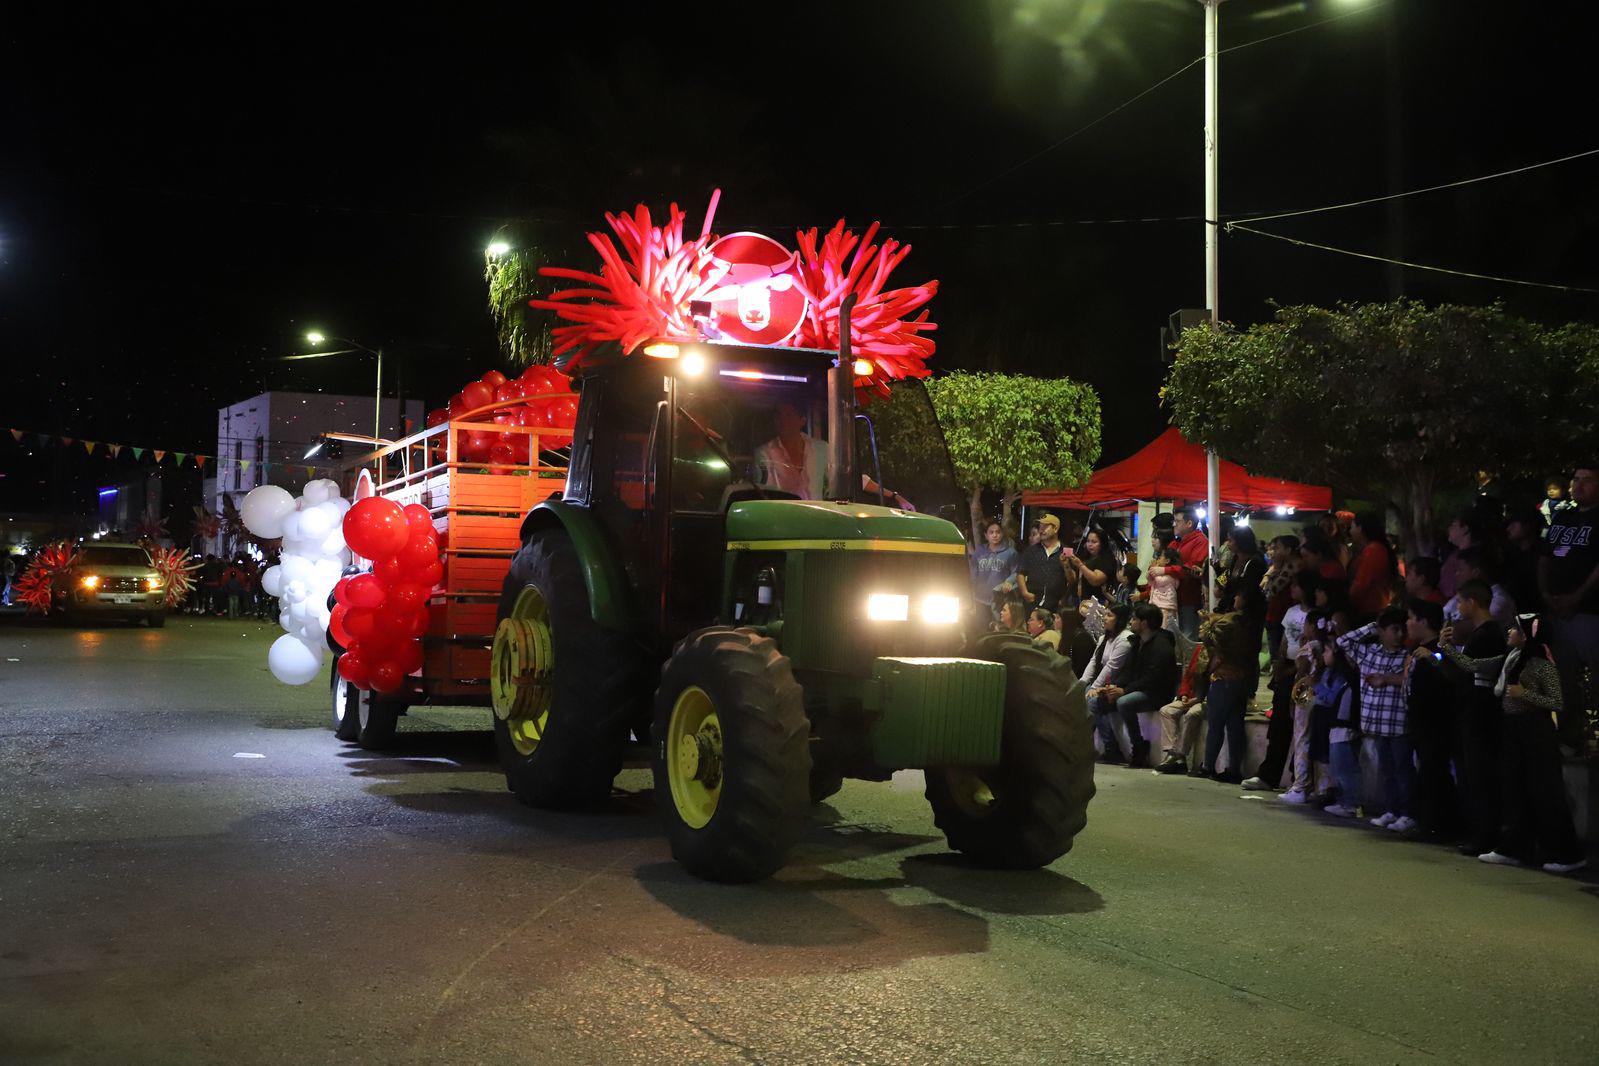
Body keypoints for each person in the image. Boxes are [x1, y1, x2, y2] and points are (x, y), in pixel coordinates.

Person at [1467, 615, 1587, 874]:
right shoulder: (1511, 660)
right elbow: (1471, 664)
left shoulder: (1542, 664)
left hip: (1536, 731)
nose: (1510, 631)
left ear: (1528, 635)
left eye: (1516, 629)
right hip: (1513, 728)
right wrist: (1446, 649)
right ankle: (1514, 847)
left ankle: (1567, 853)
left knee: (1545, 791)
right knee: (1514, 787)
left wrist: (1525, 694)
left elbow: (1556, 702)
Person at [1440, 580, 1508, 857]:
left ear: (1472, 602)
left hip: (1479, 713)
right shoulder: (1484, 634)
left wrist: (1446, 649)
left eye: (1460, 601)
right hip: (1476, 710)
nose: (1457, 607)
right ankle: (1479, 832)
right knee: (1473, 773)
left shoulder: (1487, 635)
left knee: (1479, 774)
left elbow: (1464, 673)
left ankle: (1484, 834)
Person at [1336, 606, 1416, 832]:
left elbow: (1411, 681)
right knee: (1387, 770)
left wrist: (1388, 679)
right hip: (1377, 722)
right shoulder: (1369, 652)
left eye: (1402, 630)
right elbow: (1343, 641)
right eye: (1394, 629)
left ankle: (1407, 813)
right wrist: (1373, 627)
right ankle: (1392, 810)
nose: (1400, 635)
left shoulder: (1407, 656)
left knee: (1403, 770)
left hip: (1399, 722)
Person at [1538, 463, 1599, 755]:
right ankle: (1570, 735)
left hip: (1589, 610)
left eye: (1587, 481)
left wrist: (1577, 596)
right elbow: (1546, 556)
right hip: (1557, 607)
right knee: (1564, 677)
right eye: (1576, 479)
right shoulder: (1563, 516)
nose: (1578, 485)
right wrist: (1547, 593)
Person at [755, 402, 910, 507]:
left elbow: (850, 478)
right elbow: (761, 496)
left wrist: (895, 496)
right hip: (780, 523)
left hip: (819, 522)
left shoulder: (821, 448)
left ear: (801, 420)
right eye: (779, 416)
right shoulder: (764, 453)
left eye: (788, 416)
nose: (782, 421)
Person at [1401, 598, 1457, 840]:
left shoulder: (1437, 651)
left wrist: (1433, 657)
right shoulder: (1418, 651)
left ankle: (1438, 824)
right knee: (1427, 770)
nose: (1407, 623)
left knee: (1435, 772)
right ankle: (1428, 820)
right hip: (1421, 722)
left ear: (1424, 622)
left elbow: (1447, 670)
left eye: (1411, 618)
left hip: (1434, 723)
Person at [1096, 604, 1178, 767]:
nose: (1131, 622)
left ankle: (1139, 746)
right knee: (1099, 700)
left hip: (1157, 693)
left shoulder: (1162, 646)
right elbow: (1128, 671)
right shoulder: (1137, 642)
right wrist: (1112, 687)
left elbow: (1152, 679)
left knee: (1124, 702)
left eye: (1134, 619)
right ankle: (1112, 748)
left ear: (1144, 623)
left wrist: (1124, 691)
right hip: (1138, 688)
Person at [1200, 609, 1256, 783]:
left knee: (1215, 726)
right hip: (1240, 682)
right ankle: (1233, 769)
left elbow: (1206, 664)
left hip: (1222, 682)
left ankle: (1208, 766)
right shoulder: (1245, 643)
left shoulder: (1222, 646)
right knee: (1235, 727)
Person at [1315, 640, 1363, 817]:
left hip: (1344, 727)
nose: (1323, 655)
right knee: (1338, 767)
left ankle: (1350, 804)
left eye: (1327, 651)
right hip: (1336, 726)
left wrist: (1316, 686)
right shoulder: (1334, 674)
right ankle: (1344, 801)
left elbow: (1333, 699)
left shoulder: (1345, 678)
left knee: (1345, 768)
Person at [1084, 603, 1135, 763]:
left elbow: (1112, 667)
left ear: (1120, 619)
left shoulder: (1125, 638)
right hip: (1103, 684)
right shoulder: (1104, 638)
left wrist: (1093, 688)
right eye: (1105, 614)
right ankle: (1083, 746)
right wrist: (1082, 684)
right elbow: (1094, 662)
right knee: (1079, 696)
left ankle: (1111, 749)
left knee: (1092, 702)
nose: (1105, 618)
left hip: (1118, 685)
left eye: (1109, 615)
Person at [1156, 639, 1210, 775]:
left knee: (1192, 714)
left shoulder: (1219, 652)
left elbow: (1207, 686)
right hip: (1192, 696)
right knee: (1167, 710)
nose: (1200, 628)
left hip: (1206, 698)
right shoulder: (1200, 649)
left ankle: (1178, 754)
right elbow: (1188, 676)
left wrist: (1196, 699)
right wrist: (1184, 694)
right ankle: (1173, 754)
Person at [1441, 547, 1516, 628]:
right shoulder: (1462, 595)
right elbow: (1445, 615)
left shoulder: (1499, 600)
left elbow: (1471, 627)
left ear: (1475, 572)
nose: (1457, 574)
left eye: (1460, 570)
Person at [1348, 512, 1397, 617]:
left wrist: (1347, 600)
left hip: (1370, 609)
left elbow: (1362, 583)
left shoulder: (1374, 550)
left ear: (1360, 528)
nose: (1350, 531)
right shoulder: (1372, 549)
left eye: (1352, 527)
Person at [1171, 506, 1210, 639]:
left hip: (1190, 597)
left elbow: (1191, 569)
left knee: (1188, 636)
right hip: (1178, 597)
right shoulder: (1179, 542)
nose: (1174, 524)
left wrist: (1166, 569)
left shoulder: (1201, 541)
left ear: (1189, 523)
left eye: (1177, 521)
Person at [1017, 513, 1068, 613]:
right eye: (1040, 527)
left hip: (1055, 605)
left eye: (1045, 527)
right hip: (1032, 604)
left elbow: (1072, 580)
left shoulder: (1066, 551)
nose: (1041, 530)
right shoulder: (1031, 550)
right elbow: (1020, 573)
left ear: (1055, 529)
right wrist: (1024, 592)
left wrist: (1065, 597)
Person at [969, 521, 1018, 622]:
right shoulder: (980, 551)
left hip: (1000, 601)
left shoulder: (1010, 553)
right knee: (980, 630)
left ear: (1002, 534)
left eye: (998, 532)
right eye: (991, 532)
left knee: (998, 629)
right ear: (986, 535)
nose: (995, 535)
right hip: (979, 599)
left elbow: (1016, 572)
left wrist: (1009, 581)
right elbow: (973, 573)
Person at [1501, 507, 1545, 613]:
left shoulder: (1544, 552)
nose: (1509, 528)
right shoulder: (1511, 553)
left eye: (1514, 524)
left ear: (1528, 525)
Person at [1439, 511, 1487, 600]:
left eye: (1453, 526)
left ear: (1465, 528)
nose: (1449, 529)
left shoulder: (1474, 557)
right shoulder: (1455, 554)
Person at [1066, 528, 1118, 605]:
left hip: (1098, 601)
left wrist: (1080, 565)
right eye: (1088, 541)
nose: (1090, 544)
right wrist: (1066, 565)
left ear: (1102, 543)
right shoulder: (1084, 556)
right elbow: (1072, 579)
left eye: (1094, 542)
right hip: (1078, 600)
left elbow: (1096, 580)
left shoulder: (1108, 559)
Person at [1148, 545, 1181, 632]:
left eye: (1160, 557)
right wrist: (1152, 570)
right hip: (1158, 605)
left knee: (1165, 629)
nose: (1158, 559)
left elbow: (1159, 581)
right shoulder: (1159, 573)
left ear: (1167, 560)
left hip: (1166, 606)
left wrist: (1154, 569)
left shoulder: (1171, 575)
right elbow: (1150, 580)